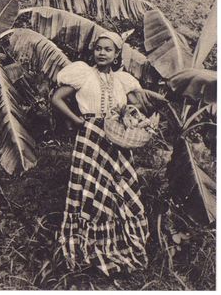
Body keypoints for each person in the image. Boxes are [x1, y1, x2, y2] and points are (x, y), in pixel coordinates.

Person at [52, 31, 152, 277]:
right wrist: (78, 121)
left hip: (116, 139)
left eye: (108, 49)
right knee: (90, 189)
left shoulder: (122, 81)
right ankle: (87, 247)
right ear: (93, 51)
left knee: (118, 189)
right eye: (99, 48)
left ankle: (118, 245)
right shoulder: (83, 74)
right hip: (90, 138)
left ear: (117, 54)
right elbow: (57, 98)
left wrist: (137, 121)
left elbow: (134, 107)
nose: (102, 53)